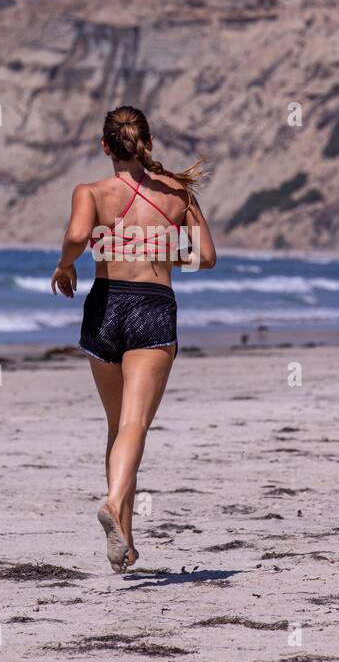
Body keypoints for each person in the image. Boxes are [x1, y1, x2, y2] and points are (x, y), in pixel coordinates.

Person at [51, 106, 216, 572]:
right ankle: (114, 507)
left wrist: (65, 265)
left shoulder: (90, 191)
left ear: (105, 146)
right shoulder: (178, 193)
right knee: (134, 426)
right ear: (148, 141)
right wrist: (158, 250)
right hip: (151, 307)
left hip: (104, 307)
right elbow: (206, 257)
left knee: (117, 426)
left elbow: (79, 234)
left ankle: (124, 536)